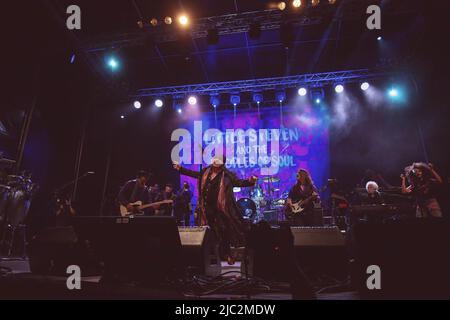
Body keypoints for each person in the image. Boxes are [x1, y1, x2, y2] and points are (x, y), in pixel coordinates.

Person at [173, 156, 257, 264]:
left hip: (221, 208)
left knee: (223, 230)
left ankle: (225, 254)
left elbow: (239, 182)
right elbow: (195, 174)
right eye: (214, 159)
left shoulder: (227, 175)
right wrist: (181, 169)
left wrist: (250, 181)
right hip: (206, 207)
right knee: (211, 232)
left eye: (218, 160)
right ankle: (210, 257)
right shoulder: (205, 172)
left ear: (222, 164)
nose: (215, 162)